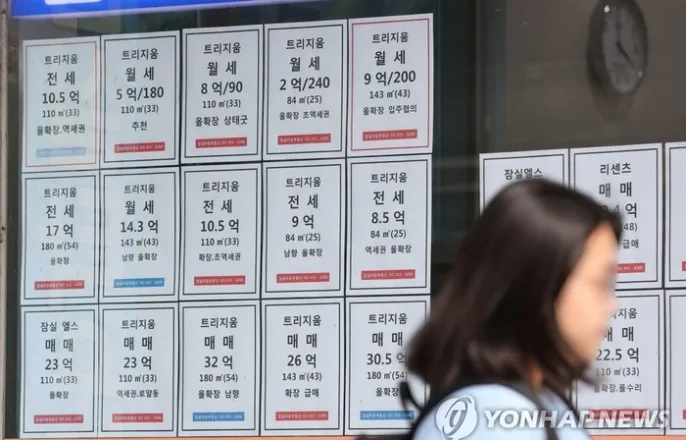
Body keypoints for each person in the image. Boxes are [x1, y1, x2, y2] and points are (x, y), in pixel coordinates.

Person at [408, 178, 621, 440]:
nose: (611, 306)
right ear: (537, 286)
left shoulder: (536, 399)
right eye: (600, 283)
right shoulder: (492, 419)